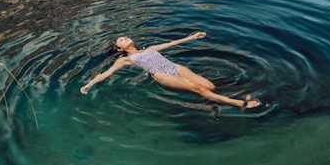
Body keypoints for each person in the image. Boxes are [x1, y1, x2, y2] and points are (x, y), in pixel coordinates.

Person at [81, 32, 261, 109]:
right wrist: (89, 84)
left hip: (175, 68)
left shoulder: (149, 48)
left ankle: (211, 102)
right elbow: (107, 73)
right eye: (121, 40)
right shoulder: (124, 59)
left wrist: (192, 37)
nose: (125, 38)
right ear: (120, 49)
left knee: (210, 86)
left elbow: (171, 43)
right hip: (162, 75)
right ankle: (240, 104)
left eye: (125, 37)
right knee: (200, 89)